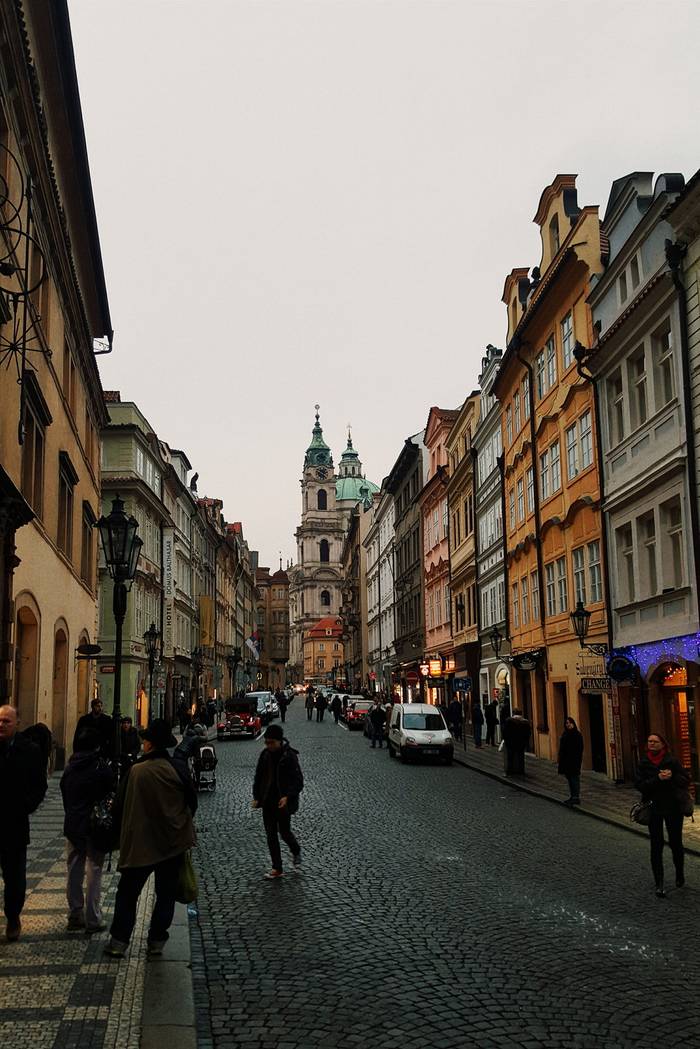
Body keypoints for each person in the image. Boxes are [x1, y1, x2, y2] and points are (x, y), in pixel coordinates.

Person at [104, 719, 197, 958]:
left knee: (127, 894)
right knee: (165, 894)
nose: (143, 743)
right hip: (172, 843)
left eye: (145, 740)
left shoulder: (136, 771)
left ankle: (119, 942)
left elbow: (119, 807)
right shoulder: (176, 769)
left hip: (140, 844)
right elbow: (191, 802)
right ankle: (156, 941)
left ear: (150, 744)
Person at [0, 705, 48, 942]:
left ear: (17, 723)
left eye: (7, 721)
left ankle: (13, 916)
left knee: (15, 879)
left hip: (14, 825)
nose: (2, 724)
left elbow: (40, 786)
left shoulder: (29, 750)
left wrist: (25, 806)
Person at [60, 728, 114, 932]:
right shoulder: (100, 767)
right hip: (95, 825)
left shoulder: (70, 768)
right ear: (96, 746)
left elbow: (65, 794)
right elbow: (110, 792)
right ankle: (93, 918)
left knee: (74, 868)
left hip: (74, 823)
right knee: (94, 869)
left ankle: (75, 913)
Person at [635, 732, 690, 897]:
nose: (651, 744)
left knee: (675, 843)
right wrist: (658, 779)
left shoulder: (672, 761)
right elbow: (640, 786)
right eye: (649, 741)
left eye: (655, 741)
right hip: (653, 807)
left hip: (673, 807)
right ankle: (659, 882)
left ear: (662, 744)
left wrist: (672, 777)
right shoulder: (643, 763)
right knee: (656, 844)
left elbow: (685, 780)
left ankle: (679, 873)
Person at [252, 724, 303, 879]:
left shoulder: (289, 756)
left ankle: (296, 850)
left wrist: (287, 796)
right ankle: (277, 868)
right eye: (266, 742)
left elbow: (298, 781)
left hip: (283, 802)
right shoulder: (265, 755)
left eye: (271, 743)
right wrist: (257, 797)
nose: (269, 746)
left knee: (284, 832)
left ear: (280, 741)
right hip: (267, 800)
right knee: (271, 835)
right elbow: (258, 777)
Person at [557, 717, 584, 806]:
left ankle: (576, 797)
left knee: (574, 779)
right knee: (569, 778)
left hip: (574, 760)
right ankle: (572, 796)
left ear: (573, 723)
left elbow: (579, 748)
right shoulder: (565, 733)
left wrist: (575, 758)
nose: (568, 724)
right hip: (566, 761)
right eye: (566, 723)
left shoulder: (576, 734)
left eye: (569, 723)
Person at [502, 708, 530, 776]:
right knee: (521, 757)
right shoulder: (525, 722)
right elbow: (528, 733)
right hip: (521, 742)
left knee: (510, 757)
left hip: (511, 742)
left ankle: (509, 772)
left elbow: (505, 731)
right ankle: (521, 771)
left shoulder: (509, 721)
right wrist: (525, 741)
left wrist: (506, 739)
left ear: (513, 713)